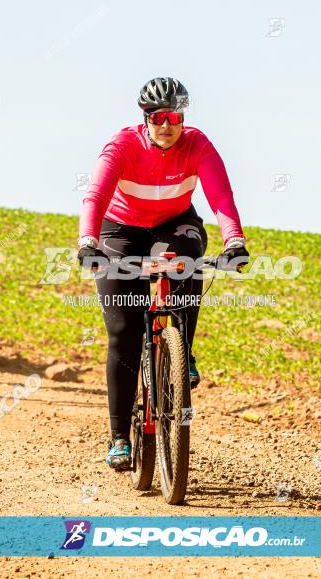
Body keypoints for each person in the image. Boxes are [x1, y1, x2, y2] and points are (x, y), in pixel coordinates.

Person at [77, 76, 250, 470]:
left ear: (183, 116)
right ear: (145, 118)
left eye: (174, 116)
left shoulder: (198, 144)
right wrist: (87, 241)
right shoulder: (121, 145)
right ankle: (120, 436)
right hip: (119, 229)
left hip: (174, 223)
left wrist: (234, 241)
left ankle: (182, 352)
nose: (166, 125)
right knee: (124, 331)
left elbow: (221, 195)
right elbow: (95, 196)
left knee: (189, 252)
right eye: (157, 117)